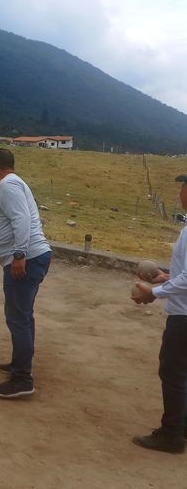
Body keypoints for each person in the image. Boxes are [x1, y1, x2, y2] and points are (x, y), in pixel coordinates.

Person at [0, 148, 52, 398]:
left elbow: (21, 220)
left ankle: (22, 379)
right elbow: (6, 226)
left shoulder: (8, 186)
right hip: (26, 257)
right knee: (22, 315)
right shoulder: (14, 184)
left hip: (25, 258)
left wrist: (20, 255)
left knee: (18, 317)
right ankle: (20, 363)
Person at [131, 174, 187, 454]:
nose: (180, 192)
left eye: (184, 187)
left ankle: (171, 435)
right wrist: (168, 277)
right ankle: (182, 426)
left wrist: (154, 292)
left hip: (184, 317)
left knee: (172, 372)